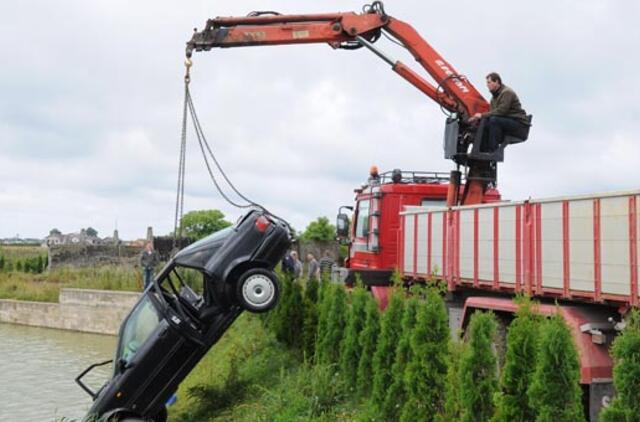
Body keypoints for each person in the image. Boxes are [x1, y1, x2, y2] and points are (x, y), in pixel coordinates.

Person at [469, 72, 530, 152]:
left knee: (494, 120)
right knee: (484, 123)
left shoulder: (507, 92)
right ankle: (482, 153)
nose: (487, 85)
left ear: (497, 82)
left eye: (489, 82)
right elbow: (491, 113)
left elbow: (501, 111)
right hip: (507, 122)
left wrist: (481, 115)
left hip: (519, 125)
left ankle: (492, 151)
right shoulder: (494, 98)